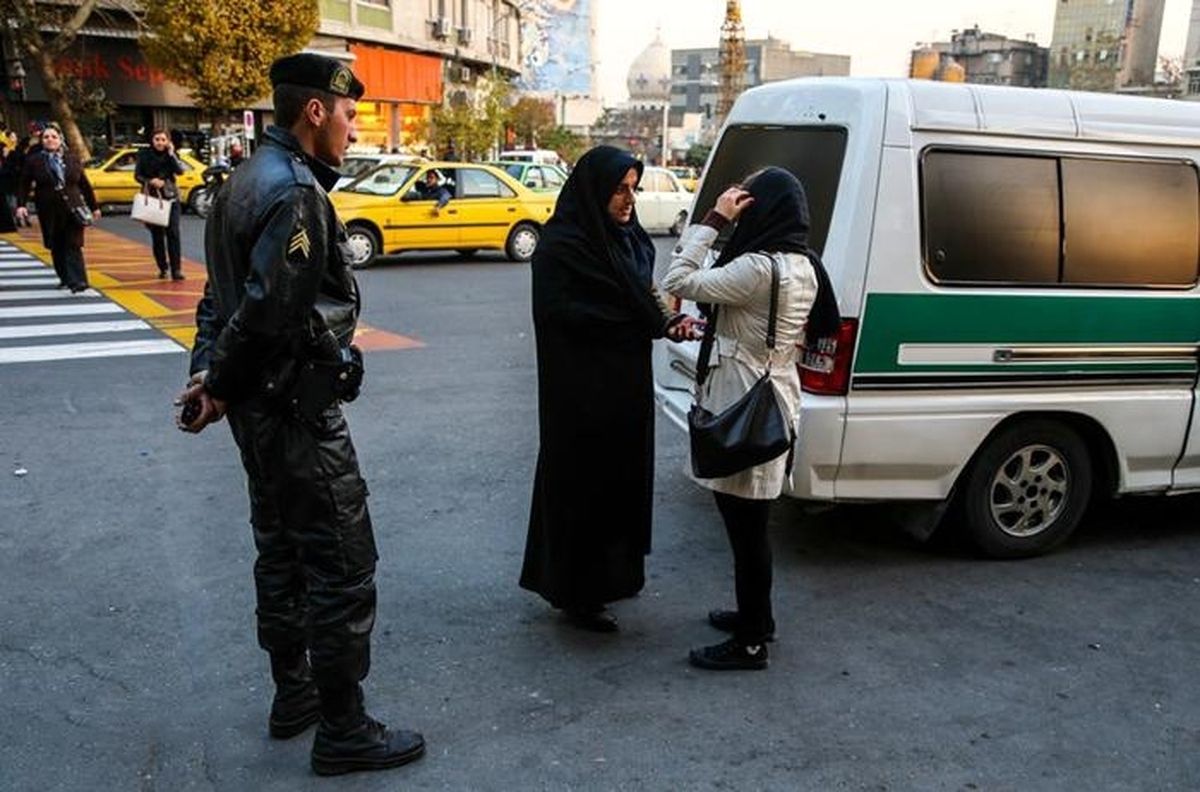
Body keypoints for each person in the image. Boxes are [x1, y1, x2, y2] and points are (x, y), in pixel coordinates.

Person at [176, 52, 425, 776]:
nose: (352, 128)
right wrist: (220, 378)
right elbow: (264, 313)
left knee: (280, 550)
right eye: (348, 114)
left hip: (257, 411)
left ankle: (295, 695)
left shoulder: (241, 181)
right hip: (294, 411)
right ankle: (343, 727)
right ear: (314, 111)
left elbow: (214, 300)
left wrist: (209, 378)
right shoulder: (294, 193)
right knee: (342, 563)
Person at [661, 167, 840, 671]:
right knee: (749, 521)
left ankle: (751, 641)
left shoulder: (758, 270)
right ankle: (755, 617)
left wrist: (713, 219)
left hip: (745, 401)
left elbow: (676, 280)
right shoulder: (804, 264)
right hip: (776, 395)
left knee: (746, 527)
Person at [520, 145, 700, 633]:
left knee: (621, 483)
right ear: (594, 189)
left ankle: (616, 577)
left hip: (625, 387)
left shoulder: (626, 239)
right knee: (584, 488)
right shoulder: (562, 246)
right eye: (619, 189)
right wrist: (644, 322)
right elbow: (565, 314)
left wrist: (667, 322)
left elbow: (645, 295)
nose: (628, 200)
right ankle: (578, 593)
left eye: (633, 189)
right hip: (580, 394)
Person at [16, 123, 100, 292]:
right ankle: (65, 277)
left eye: (54, 136)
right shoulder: (35, 160)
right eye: (46, 137)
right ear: (42, 141)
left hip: (74, 208)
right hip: (49, 209)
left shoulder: (72, 158)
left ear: (60, 139)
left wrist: (94, 206)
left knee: (73, 243)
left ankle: (78, 281)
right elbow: (24, 184)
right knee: (56, 244)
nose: (50, 140)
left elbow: (84, 184)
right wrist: (21, 205)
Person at [134, 129, 187, 280]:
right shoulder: (144, 155)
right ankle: (163, 267)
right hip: (152, 198)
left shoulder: (172, 155)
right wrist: (150, 181)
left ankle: (176, 269)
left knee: (174, 233)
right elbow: (137, 175)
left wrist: (172, 154)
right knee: (157, 235)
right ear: (152, 140)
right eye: (157, 139)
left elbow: (180, 171)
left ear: (168, 141)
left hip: (170, 197)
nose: (160, 142)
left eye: (163, 140)